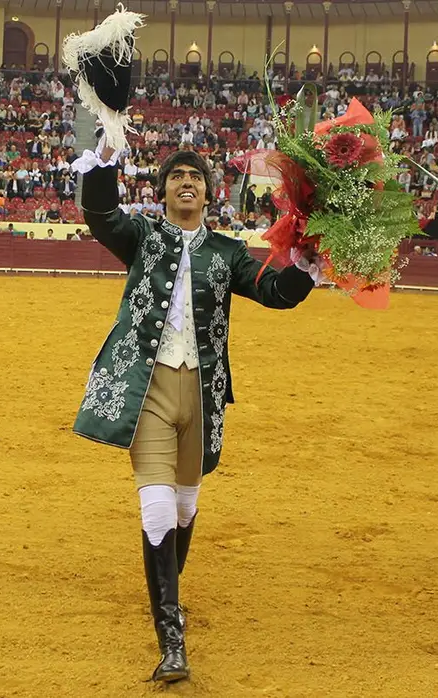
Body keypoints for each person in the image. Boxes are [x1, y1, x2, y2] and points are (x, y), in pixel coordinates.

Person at [72, 136, 320, 684]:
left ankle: (167, 595)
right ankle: (171, 640)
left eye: (197, 176)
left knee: (185, 509)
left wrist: (309, 253)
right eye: (177, 176)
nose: (187, 181)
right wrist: (107, 155)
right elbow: (101, 213)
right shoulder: (142, 236)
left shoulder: (228, 253)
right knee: (158, 510)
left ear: (210, 193)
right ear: (161, 192)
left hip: (203, 395)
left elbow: (277, 291)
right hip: (148, 392)